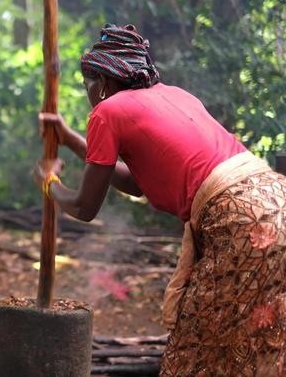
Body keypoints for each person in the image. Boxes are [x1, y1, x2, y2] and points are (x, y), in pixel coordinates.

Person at [37, 24, 286, 376]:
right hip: (276, 199)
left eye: (87, 84)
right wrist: (69, 138)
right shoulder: (175, 95)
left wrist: (49, 181)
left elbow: (84, 207)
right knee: (260, 334)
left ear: (103, 84)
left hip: (241, 219)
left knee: (197, 344)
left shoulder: (108, 111)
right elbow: (138, 184)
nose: (87, 92)